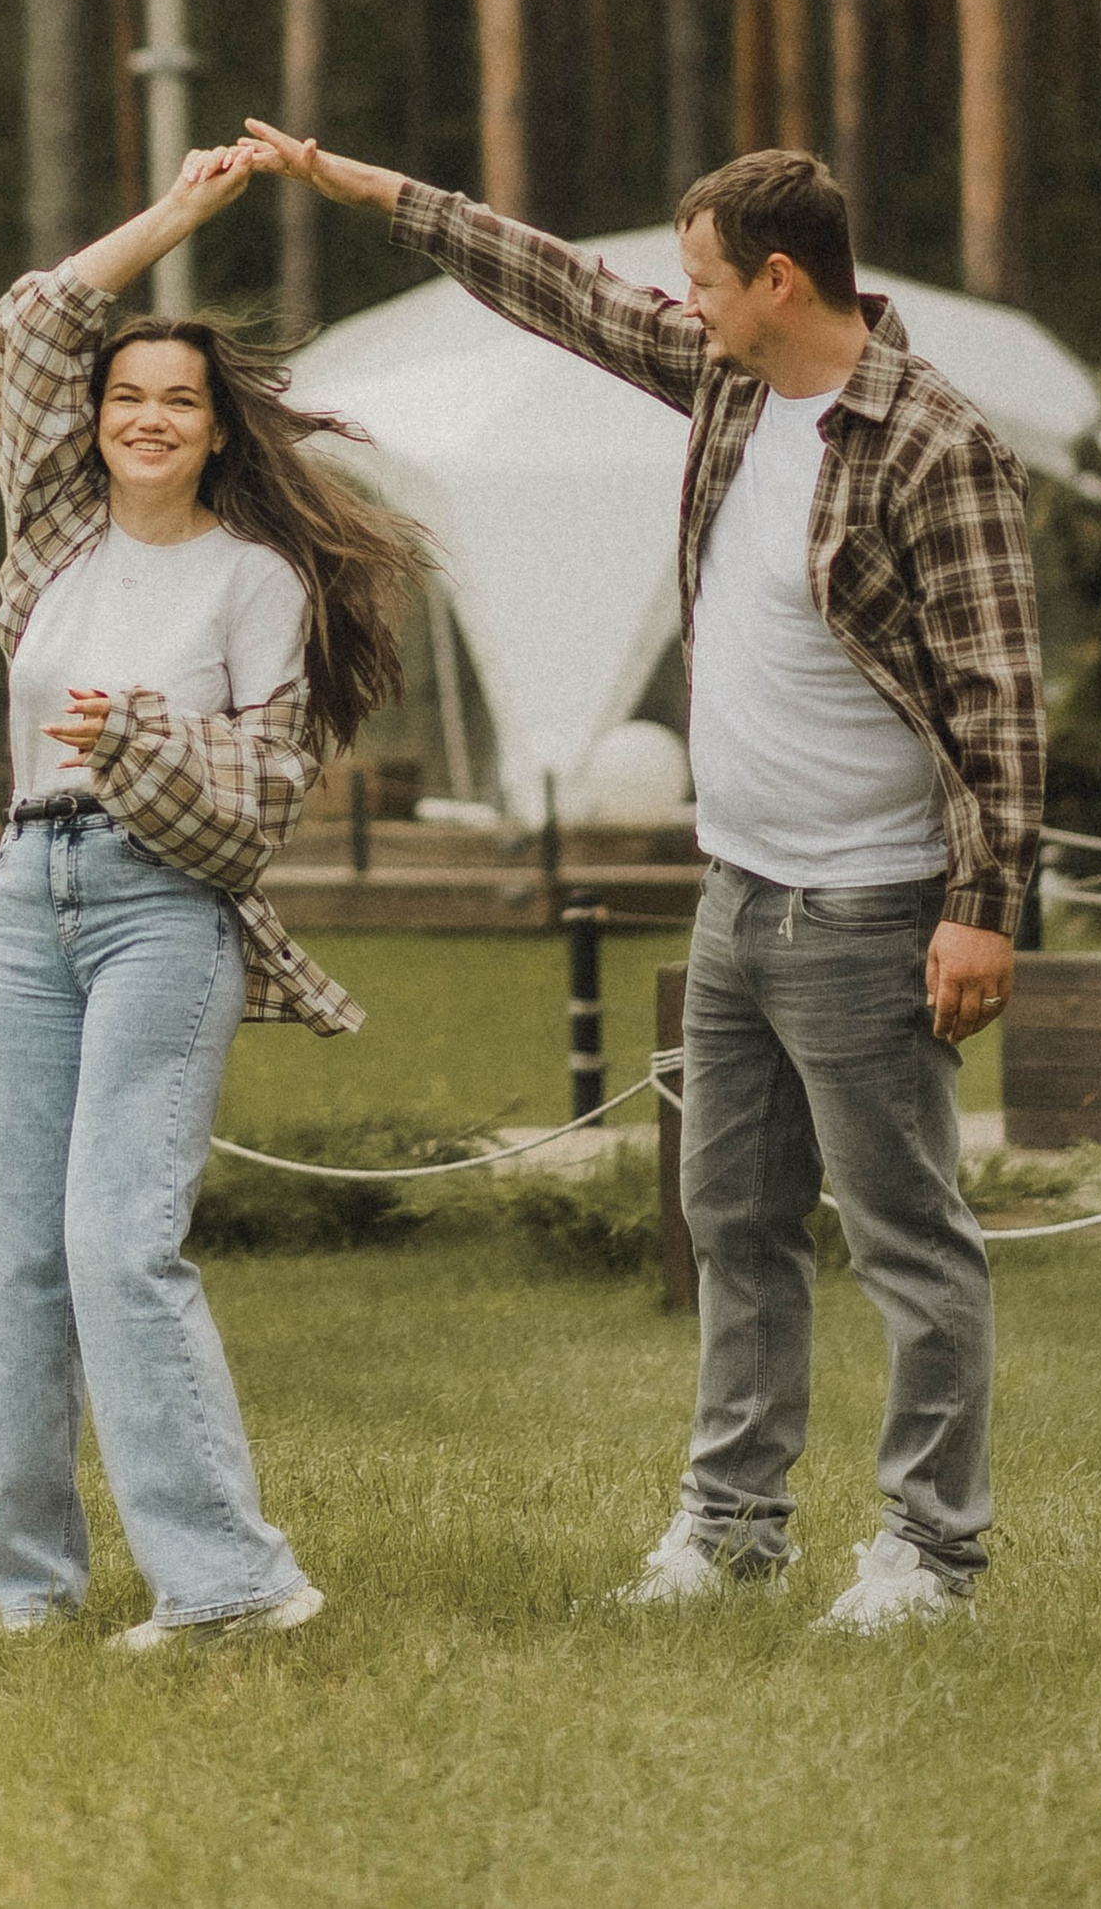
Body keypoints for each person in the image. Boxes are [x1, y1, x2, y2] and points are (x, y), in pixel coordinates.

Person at [245, 122, 1042, 1633]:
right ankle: (733, 1527)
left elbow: (1002, 693)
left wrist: (980, 909)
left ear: (780, 278)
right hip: (738, 895)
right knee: (734, 1224)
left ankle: (930, 1555)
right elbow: (556, 289)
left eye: (704, 282)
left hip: (872, 906)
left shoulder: (938, 445)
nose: (682, 306)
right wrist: (374, 191)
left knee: (908, 1240)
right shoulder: (733, 382)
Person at [0, 143, 428, 1648]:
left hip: (167, 915)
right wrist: (173, 221)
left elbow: (260, 806)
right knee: (15, 1261)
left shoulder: (255, 585)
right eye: (126, 398)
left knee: (116, 1242)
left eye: (178, 399)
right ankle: (26, 1589)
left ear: (219, 431)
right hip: (28, 902)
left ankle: (234, 1583)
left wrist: (139, 741)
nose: (146, 417)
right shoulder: (54, 545)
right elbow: (23, 332)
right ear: (95, 428)